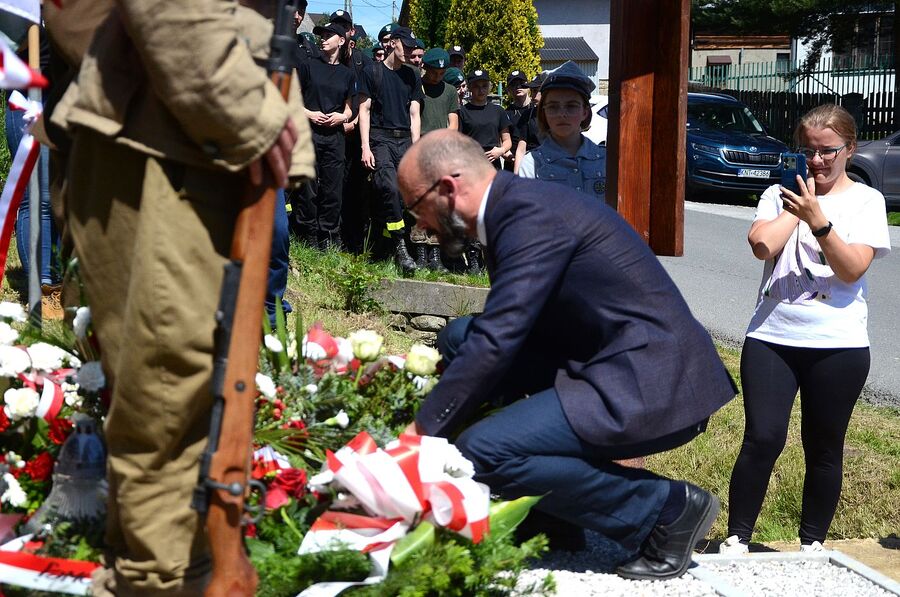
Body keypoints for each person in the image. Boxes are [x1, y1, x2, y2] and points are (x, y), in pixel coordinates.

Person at [44, 2, 314, 594]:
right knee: (172, 389)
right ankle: (160, 582)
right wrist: (249, 113)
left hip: (188, 124)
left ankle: (170, 571)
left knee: (182, 391)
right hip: (174, 133)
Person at [397, 130, 737, 581]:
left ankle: (666, 510)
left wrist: (419, 434)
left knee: (482, 452)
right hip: (600, 356)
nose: (419, 224)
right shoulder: (512, 208)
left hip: (647, 376)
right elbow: (500, 334)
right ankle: (558, 514)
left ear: (447, 187)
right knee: (459, 337)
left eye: (415, 207)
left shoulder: (528, 216)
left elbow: (500, 338)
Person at [720, 104, 891, 555]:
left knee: (824, 445)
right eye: (808, 151)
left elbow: (852, 269)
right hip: (772, 337)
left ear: (849, 150)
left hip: (839, 344)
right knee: (763, 436)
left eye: (827, 152)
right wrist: (800, 208)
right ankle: (738, 537)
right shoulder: (780, 195)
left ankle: (812, 541)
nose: (817, 161)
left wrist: (821, 221)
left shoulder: (867, 201)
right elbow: (762, 245)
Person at [358, 25, 423, 272]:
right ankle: (400, 246)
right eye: (406, 46)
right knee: (388, 185)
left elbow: (415, 114)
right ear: (393, 43)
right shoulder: (371, 72)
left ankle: (386, 243)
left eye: (412, 48)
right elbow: (364, 110)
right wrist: (365, 146)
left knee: (404, 193)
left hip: (405, 139)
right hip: (380, 138)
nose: (409, 52)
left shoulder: (412, 75)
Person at [294, 21, 355, 249]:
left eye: (330, 35)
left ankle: (327, 234)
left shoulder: (348, 74)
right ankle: (307, 233)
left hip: (335, 138)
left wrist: (342, 117)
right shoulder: (309, 65)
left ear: (341, 40)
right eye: (322, 34)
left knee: (332, 188)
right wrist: (310, 113)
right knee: (308, 186)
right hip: (310, 133)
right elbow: (294, 99)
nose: (324, 38)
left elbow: (349, 109)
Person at [517, 61, 606, 201]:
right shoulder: (532, 164)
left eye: (571, 106)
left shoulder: (605, 159)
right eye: (553, 107)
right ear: (543, 112)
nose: (562, 114)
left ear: (585, 112)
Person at [411, 47, 459, 271]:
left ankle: (436, 256)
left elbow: (453, 122)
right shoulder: (416, 86)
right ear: (425, 68)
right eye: (433, 72)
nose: (437, 77)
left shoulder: (450, 91)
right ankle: (420, 253)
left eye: (441, 73)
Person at [502, 69, 530, 173]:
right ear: (508, 89)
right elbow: (501, 141)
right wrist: (510, 156)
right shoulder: (505, 113)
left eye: (521, 84)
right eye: (514, 85)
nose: (518, 87)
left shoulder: (538, 110)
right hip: (512, 164)